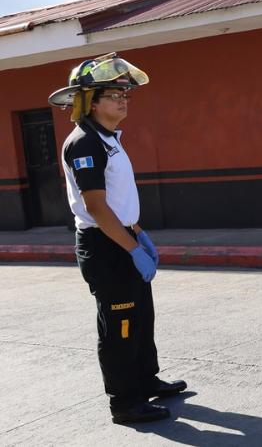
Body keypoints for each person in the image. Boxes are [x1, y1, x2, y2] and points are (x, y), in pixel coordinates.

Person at [48, 53, 186, 425]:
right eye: (114, 94)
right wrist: (130, 249)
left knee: (141, 316)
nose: (124, 99)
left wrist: (139, 234)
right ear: (90, 101)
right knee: (120, 326)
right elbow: (95, 206)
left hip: (121, 237)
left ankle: (146, 380)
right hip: (105, 246)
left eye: (126, 93)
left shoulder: (107, 138)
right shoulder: (85, 143)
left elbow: (118, 200)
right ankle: (125, 402)